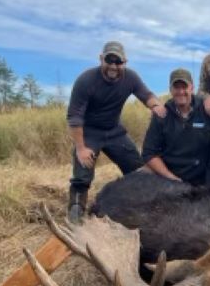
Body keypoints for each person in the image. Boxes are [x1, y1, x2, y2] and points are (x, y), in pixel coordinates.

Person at [66, 40, 165, 221]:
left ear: (124, 63)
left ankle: (143, 205)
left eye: (117, 62)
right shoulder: (86, 80)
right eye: (109, 60)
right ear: (101, 59)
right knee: (82, 176)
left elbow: (146, 95)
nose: (113, 66)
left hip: (114, 131)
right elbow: (74, 117)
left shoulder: (130, 78)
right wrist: (81, 148)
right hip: (89, 133)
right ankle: (76, 213)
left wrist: (156, 106)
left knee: (138, 170)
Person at [141, 68, 210, 185]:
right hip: (171, 179)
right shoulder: (162, 115)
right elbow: (149, 153)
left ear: (192, 88)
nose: (181, 91)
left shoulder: (207, 109)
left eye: (184, 87)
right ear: (170, 90)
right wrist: (171, 178)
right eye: (176, 87)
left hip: (204, 179)